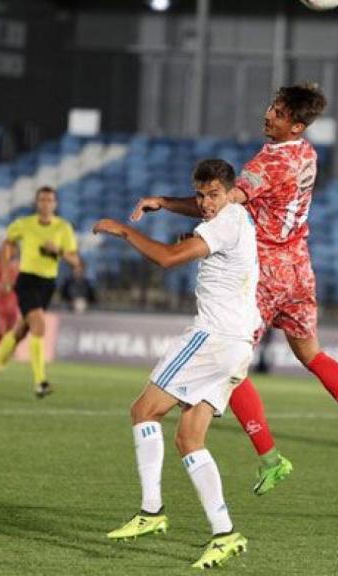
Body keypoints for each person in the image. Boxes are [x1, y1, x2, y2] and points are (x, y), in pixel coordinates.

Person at [131, 84, 338, 494]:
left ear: (296, 124)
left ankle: (270, 458)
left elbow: (219, 203)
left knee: (233, 363)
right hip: (299, 267)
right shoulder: (308, 153)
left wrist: (163, 201)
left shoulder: (267, 164)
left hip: (264, 271)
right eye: (272, 107)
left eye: (280, 113)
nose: (269, 114)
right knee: (312, 354)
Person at [95, 159, 255, 569]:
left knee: (142, 410)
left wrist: (124, 229)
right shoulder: (233, 216)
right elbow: (202, 214)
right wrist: (165, 203)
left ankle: (151, 512)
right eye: (200, 194)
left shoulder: (226, 220)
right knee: (189, 439)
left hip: (212, 338)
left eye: (213, 194)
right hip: (237, 344)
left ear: (230, 191)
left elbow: (167, 259)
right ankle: (225, 533)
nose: (204, 203)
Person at [0, 186, 82, 398]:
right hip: (26, 280)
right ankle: (40, 382)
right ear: (37, 203)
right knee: (39, 325)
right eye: (42, 200)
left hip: (47, 284)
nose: (45, 204)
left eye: (49, 200)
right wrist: (7, 272)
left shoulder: (63, 228)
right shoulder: (23, 224)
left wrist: (58, 251)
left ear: (55, 204)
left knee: (21, 330)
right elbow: (7, 243)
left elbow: (75, 261)